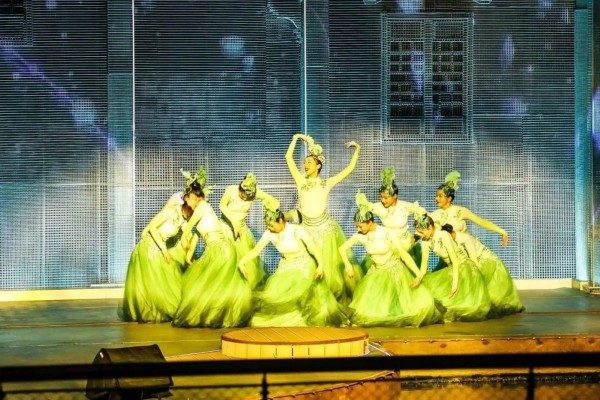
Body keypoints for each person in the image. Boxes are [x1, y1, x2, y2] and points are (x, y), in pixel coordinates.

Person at [339, 193, 441, 327]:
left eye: (360, 226)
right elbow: (342, 248)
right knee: (366, 308)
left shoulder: (387, 233)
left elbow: (404, 254)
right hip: (376, 271)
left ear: (370, 222)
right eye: (356, 226)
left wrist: (418, 274)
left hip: (393, 270)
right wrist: (348, 265)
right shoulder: (360, 236)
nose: (357, 229)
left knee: (407, 306)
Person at [285, 133, 363, 305]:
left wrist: (357, 151)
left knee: (328, 269)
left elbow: (348, 170)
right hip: (306, 230)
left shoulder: (326, 183)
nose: (305, 165)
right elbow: (288, 158)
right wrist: (296, 138)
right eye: (305, 162)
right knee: (307, 268)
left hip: (325, 230)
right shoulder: (300, 181)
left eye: (309, 162)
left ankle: (328, 302)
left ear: (318, 165)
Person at [238, 209, 348, 327]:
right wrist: (242, 262)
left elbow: (313, 247)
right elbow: (256, 250)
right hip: (286, 265)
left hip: (303, 265)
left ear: (281, 221)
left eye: (272, 225)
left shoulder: (296, 230)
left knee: (298, 289)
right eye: (268, 225)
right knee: (277, 292)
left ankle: (302, 319)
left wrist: (321, 264)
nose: (269, 228)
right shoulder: (269, 233)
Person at [172, 167, 252, 328]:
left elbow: (189, 229)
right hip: (219, 249)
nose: (187, 203)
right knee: (211, 285)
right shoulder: (203, 210)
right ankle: (214, 316)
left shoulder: (202, 207)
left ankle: (216, 316)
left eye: (188, 199)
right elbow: (197, 235)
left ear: (194, 197)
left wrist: (184, 239)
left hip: (220, 250)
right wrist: (188, 255)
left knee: (209, 284)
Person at [121, 170, 203, 323]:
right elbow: (152, 227)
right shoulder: (172, 210)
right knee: (155, 281)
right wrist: (164, 249)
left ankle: (164, 310)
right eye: (195, 202)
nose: (196, 207)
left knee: (167, 278)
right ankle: (150, 311)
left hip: (159, 249)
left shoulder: (184, 220)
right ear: (187, 200)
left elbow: (186, 237)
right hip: (149, 247)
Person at [413, 214, 492, 322]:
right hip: (451, 268)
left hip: (463, 266)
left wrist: (455, 284)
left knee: (463, 302)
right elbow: (423, 266)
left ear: (430, 227)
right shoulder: (425, 241)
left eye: (422, 232)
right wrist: (419, 278)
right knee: (428, 287)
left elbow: (455, 261)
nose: (420, 235)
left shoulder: (443, 235)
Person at [441, 224, 523, 317]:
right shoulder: (451, 241)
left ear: (450, 234)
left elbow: (473, 258)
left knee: (485, 287)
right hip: (472, 261)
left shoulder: (465, 238)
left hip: (485, 260)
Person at [219, 173, 280, 290]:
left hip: (242, 229)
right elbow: (222, 206)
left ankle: (241, 288)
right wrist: (234, 222)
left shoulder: (255, 193)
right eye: (243, 195)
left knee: (245, 261)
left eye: (248, 197)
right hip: (226, 227)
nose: (245, 198)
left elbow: (273, 201)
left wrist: (270, 209)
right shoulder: (231, 190)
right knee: (227, 260)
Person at [360, 166, 423, 266]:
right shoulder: (378, 207)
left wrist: (417, 235)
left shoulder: (405, 206)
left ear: (395, 196)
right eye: (381, 197)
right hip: (386, 244)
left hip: (405, 244)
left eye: (386, 198)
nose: (383, 200)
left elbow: (423, 215)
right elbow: (365, 208)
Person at [430, 171, 509, 247]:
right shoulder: (434, 215)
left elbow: (481, 221)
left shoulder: (460, 211)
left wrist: (502, 231)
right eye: (436, 196)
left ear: (449, 198)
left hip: (472, 249)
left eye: (440, 196)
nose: (436, 198)